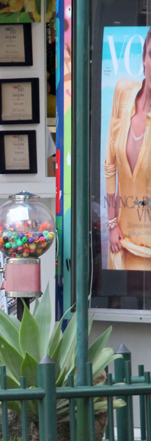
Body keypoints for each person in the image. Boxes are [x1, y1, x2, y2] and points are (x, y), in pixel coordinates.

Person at [104, 27, 151, 270]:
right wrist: (112, 223)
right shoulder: (123, 91)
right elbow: (110, 164)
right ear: (144, 59)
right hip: (120, 244)